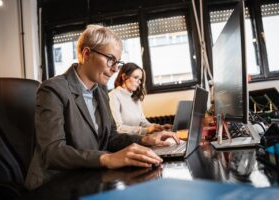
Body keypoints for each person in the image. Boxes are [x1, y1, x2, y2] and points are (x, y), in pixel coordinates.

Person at [25, 25, 179, 190]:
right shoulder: (52, 89)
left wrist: (144, 140)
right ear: (86, 54)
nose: (114, 69)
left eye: (117, 62)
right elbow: (53, 153)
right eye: (110, 59)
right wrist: (107, 158)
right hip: (54, 185)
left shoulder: (100, 90)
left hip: (87, 178)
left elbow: (110, 137)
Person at [109, 63, 172, 135]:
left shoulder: (135, 97)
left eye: (140, 79)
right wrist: (146, 130)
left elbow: (142, 121)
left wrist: (158, 127)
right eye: (136, 77)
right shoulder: (113, 96)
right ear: (124, 77)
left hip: (137, 139)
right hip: (124, 142)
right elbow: (118, 128)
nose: (139, 82)